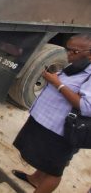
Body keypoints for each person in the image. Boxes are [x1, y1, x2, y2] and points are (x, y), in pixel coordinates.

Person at [12, 34, 91, 193]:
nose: (68, 54)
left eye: (73, 51)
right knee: (44, 160)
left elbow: (86, 106)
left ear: (89, 53)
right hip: (46, 121)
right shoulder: (77, 64)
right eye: (67, 49)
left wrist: (57, 84)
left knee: (53, 170)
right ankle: (35, 179)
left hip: (61, 130)